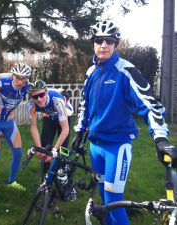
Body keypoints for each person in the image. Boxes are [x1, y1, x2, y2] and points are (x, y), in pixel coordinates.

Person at [71, 20, 177, 225]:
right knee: (102, 197)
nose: (104, 45)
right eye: (99, 40)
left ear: (116, 43)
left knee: (113, 201)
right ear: (93, 43)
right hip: (95, 146)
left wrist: (161, 139)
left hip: (116, 147)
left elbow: (150, 105)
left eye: (109, 40)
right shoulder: (91, 72)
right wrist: (79, 132)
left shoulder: (126, 71)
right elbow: (85, 105)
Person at [0, 63, 31, 204]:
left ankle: (11, 181)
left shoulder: (27, 86)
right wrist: (5, 76)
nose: (20, 82)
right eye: (17, 78)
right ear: (12, 76)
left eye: (24, 78)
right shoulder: (1, 83)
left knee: (18, 153)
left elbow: (41, 93)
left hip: (9, 121)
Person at [27, 81, 73, 180]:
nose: (39, 99)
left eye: (41, 95)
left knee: (63, 151)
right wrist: (40, 149)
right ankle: (46, 180)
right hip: (49, 117)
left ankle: (66, 180)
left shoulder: (56, 100)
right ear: (31, 98)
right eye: (35, 97)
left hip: (64, 118)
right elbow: (33, 127)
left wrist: (54, 150)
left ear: (46, 92)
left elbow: (65, 129)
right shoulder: (31, 105)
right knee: (44, 149)